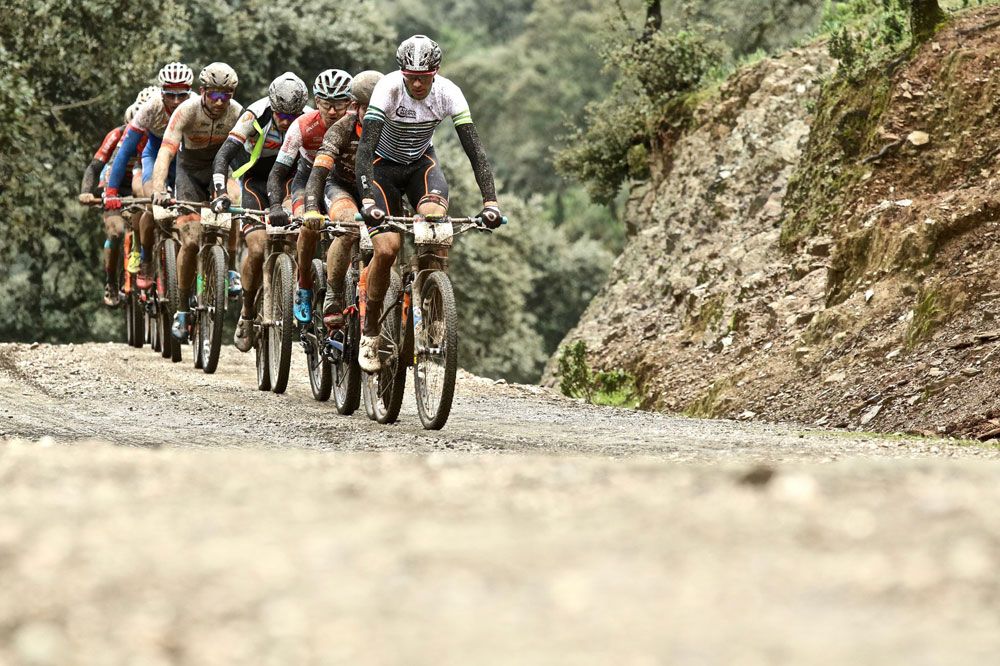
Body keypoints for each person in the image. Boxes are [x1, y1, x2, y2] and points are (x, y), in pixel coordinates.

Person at [355, 35, 502, 371]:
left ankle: (433, 304)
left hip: (422, 163)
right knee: (387, 249)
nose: (418, 84)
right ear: (402, 73)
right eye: (412, 77)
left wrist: (491, 202)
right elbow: (364, 150)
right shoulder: (388, 89)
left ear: (436, 73)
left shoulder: (448, 92)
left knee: (435, 226)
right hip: (382, 170)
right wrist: (366, 198)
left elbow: (475, 151)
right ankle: (371, 329)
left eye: (425, 77)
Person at [209, 72, 310, 352]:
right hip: (255, 182)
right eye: (281, 116)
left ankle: (299, 289)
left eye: (293, 117)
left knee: (300, 233)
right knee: (256, 247)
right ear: (273, 107)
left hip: (290, 181)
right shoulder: (255, 114)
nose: (286, 122)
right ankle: (247, 311)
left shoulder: (310, 117)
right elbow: (224, 155)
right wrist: (221, 190)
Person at [149, 62, 243, 341]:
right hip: (189, 173)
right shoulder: (186, 110)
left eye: (225, 96)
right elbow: (165, 153)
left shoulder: (238, 113)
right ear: (201, 92)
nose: (218, 102)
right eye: (213, 95)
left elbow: (247, 156)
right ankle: (182, 311)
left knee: (236, 202)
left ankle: (231, 269)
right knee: (190, 240)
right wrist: (158, 189)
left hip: (220, 170)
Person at [266, 69, 353, 324]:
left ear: (350, 103)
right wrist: (274, 206)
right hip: (306, 183)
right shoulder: (302, 126)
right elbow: (278, 172)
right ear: (317, 101)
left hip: (339, 184)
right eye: (327, 104)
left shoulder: (355, 125)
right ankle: (303, 284)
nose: (334, 111)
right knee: (307, 224)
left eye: (340, 104)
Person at [301, 70, 383, 331]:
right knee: (347, 227)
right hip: (340, 187)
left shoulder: (393, 130)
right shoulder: (341, 128)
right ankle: (334, 295)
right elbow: (318, 172)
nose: (373, 115)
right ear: (355, 107)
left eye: (378, 108)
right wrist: (312, 208)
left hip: (377, 188)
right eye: (367, 109)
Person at [105, 63, 195, 289]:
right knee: (152, 204)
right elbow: (126, 151)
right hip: (154, 157)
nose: (176, 101)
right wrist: (111, 191)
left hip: (185, 158)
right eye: (170, 94)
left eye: (182, 94)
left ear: (191, 91)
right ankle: (145, 258)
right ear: (161, 91)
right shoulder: (150, 108)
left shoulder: (197, 106)